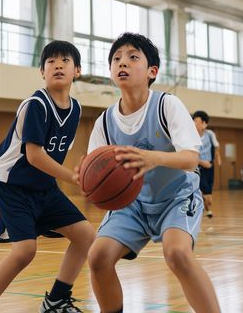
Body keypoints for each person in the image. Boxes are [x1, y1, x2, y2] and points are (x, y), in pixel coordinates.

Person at [85, 33, 220, 313]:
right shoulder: (105, 121)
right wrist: (86, 177)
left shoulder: (166, 105)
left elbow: (190, 159)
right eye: (116, 59)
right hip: (131, 204)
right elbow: (95, 166)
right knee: (98, 257)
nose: (123, 62)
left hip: (176, 197)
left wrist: (152, 158)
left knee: (177, 254)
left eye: (133, 57)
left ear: (152, 71)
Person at [0, 41, 96, 313]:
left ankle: (56, 301)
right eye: (51, 62)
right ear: (42, 72)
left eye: (65, 61)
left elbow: (56, 155)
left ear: (77, 71)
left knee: (86, 236)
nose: (58, 65)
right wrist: (75, 177)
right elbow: (34, 155)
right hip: (13, 185)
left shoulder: (75, 109)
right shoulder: (37, 104)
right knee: (24, 251)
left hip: (44, 187)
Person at [192, 110, 221, 218]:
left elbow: (216, 146)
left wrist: (218, 157)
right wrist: (201, 162)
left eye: (196, 121)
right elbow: (190, 155)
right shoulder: (191, 136)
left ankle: (206, 208)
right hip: (198, 167)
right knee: (202, 191)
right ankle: (201, 208)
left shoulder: (210, 134)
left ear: (204, 124)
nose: (194, 123)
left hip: (210, 166)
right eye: (193, 121)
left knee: (209, 198)